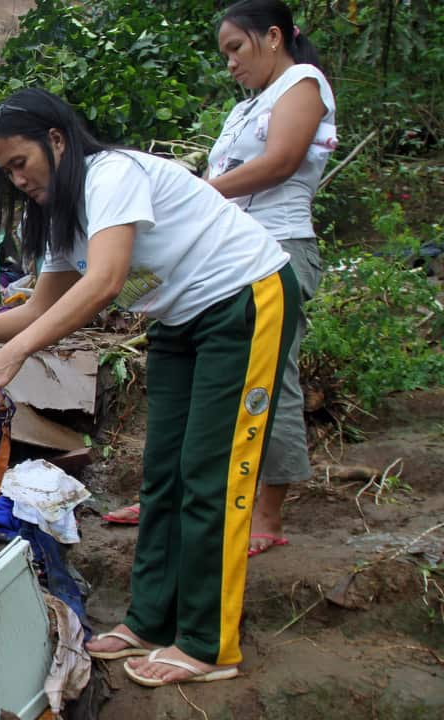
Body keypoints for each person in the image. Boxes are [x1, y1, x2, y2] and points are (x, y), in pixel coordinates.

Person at [0, 87, 298, 686]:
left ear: (56, 140)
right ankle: (151, 620)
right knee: (164, 474)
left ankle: (211, 646)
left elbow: (104, 283)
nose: (17, 179)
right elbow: (38, 308)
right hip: (180, 320)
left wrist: (15, 357)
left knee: (212, 474)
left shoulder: (113, 175)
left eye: (20, 162)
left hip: (243, 301)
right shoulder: (60, 216)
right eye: (7, 172)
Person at [104, 0, 336, 558]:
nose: (230, 63)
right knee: (192, 385)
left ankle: (268, 514)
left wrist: (196, 192)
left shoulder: (303, 84)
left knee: (269, 381)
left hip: (277, 248)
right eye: (225, 53)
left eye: (236, 48)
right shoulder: (245, 109)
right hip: (219, 259)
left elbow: (280, 162)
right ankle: (173, 497)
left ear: (273, 37)